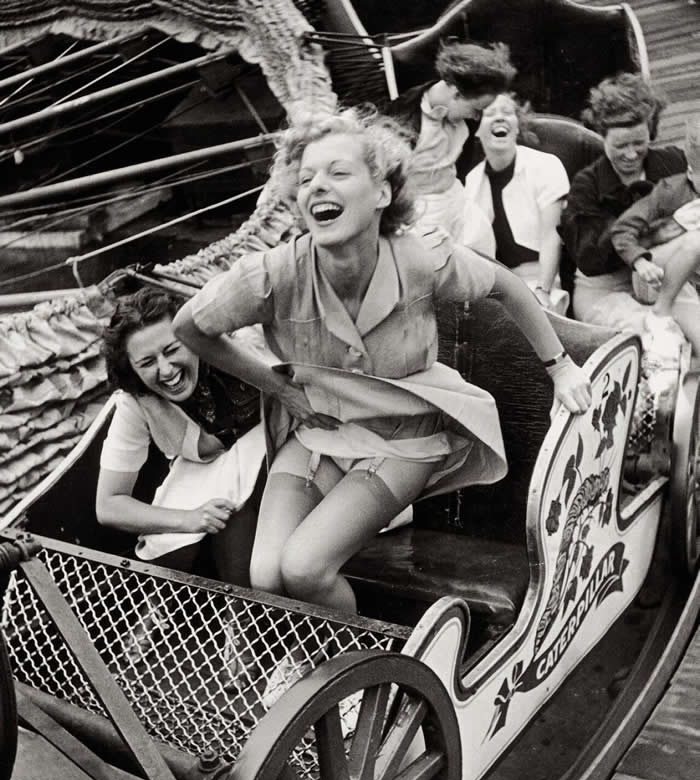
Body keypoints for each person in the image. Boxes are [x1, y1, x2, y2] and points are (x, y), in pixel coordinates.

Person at [172, 107, 592, 701]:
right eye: (307, 177)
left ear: (383, 192)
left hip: (403, 439)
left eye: (337, 173)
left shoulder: (421, 257)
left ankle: (364, 680)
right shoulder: (271, 274)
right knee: (264, 575)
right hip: (317, 433)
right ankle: (315, 657)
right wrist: (277, 386)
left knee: (305, 570)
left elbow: (506, 286)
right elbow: (191, 326)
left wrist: (561, 366)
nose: (317, 186)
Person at [96, 287, 266, 585]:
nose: (166, 370)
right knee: (172, 546)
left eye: (172, 349)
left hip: (274, 453)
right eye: (147, 363)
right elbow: (108, 504)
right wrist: (188, 519)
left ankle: (241, 612)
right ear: (131, 369)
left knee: (237, 516)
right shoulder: (136, 400)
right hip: (209, 473)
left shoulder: (244, 344)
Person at [559, 72, 687, 333]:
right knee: (657, 331)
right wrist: (653, 234)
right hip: (605, 289)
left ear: (651, 131)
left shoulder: (673, 162)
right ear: (602, 136)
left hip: (665, 277)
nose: (631, 154)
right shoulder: (587, 185)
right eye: (620, 145)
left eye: (639, 142)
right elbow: (590, 259)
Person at [399, 41, 516, 246]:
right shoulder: (401, 119)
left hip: (457, 200)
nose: (478, 118)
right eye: (477, 109)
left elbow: (463, 167)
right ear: (456, 94)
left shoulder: (466, 121)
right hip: (419, 211)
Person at [464, 92, 570, 314]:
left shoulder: (545, 165)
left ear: (517, 126)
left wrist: (543, 291)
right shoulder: (471, 181)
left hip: (542, 281)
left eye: (507, 112)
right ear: (476, 129)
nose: (499, 118)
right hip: (496, 287)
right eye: (489, 113)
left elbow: (552, 235)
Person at [610, 116, 700, 350]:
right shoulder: (671, 191)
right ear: (690, 172)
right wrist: (640, 261)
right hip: (654, 276)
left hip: (692, 283)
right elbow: (622, 228)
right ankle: (661, 312)